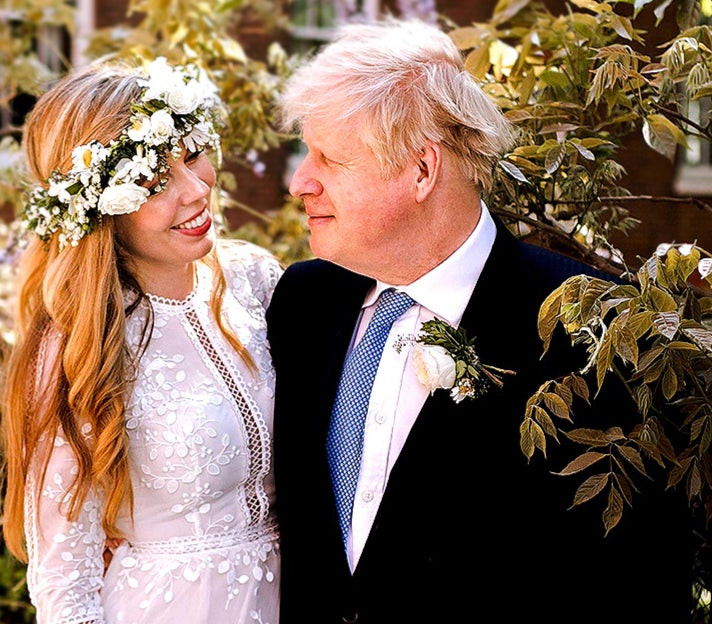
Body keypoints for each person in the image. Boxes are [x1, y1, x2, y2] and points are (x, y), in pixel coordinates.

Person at [267, 17, 695, 624]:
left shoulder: (592, 328)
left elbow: (643, 582)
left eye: (329, 160)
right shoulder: (303, 304)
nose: (298, 183)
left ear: (422, 170)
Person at [0, 55, 283, 624]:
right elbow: (66, 585)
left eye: (193, 155)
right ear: (102, 209)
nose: (195, 189)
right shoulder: (78, 347)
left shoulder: (258, 279)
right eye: (154, 181)